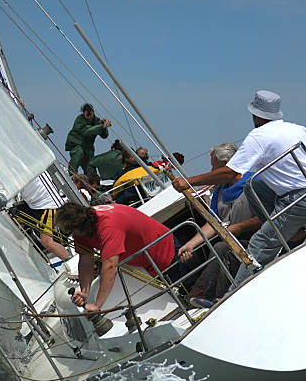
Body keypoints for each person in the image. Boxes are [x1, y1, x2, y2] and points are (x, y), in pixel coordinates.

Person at [171, 90, 306, 288]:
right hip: (295, 195)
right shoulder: (298, 129)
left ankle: (234, 293)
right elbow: (216, 218)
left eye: (215, 166)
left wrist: (189, 181)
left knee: (259, 243)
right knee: (256, 186)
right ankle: (284, 231)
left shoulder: (259, 136)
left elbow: (231, 174)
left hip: (297, 198)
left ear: (255, 115)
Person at [177, 143, 261, 307]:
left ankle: (214, 298)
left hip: (258, 241)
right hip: (234, 245)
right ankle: (205, 299)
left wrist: (238, 228)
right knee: (221, 249)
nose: (211, 172)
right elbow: (214, 223)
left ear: (226, 166)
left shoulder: (254, 181)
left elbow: (267, 217)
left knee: (221, 248)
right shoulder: (219, 192)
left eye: (214, 167)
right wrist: (191, 244)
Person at [55, 202, 177, 312]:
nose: (71, 235)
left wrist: (97, 305)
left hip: (165, 253)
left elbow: (110, 266)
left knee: (186, 291)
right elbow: (86, 262)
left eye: (69, 232)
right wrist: (84, 293)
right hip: (146, 263)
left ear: (77, 226)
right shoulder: (83, 227)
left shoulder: (108, 226)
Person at [0, 164, 71, 261]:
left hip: (48, 206)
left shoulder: (23, 162)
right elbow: (1, 175)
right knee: (10, 219)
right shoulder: (12, 165)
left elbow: (6, 172)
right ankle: (22, 256)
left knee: (47, 242)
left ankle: (70, 262)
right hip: (33, 204)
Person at [65, 103, 111, 174]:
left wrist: (104, 127)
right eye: (87, 114)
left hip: (88, 148)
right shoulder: (79, 120)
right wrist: (101, 126)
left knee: (90, 166)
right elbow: (86, 131)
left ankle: (92, 181)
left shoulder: (97, 121)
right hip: (77, 144)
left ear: (93, 112)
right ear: (83, 113)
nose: (89, 116)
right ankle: (72, 176)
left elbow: (104, 136)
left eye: (90, 114)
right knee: (78, 154)